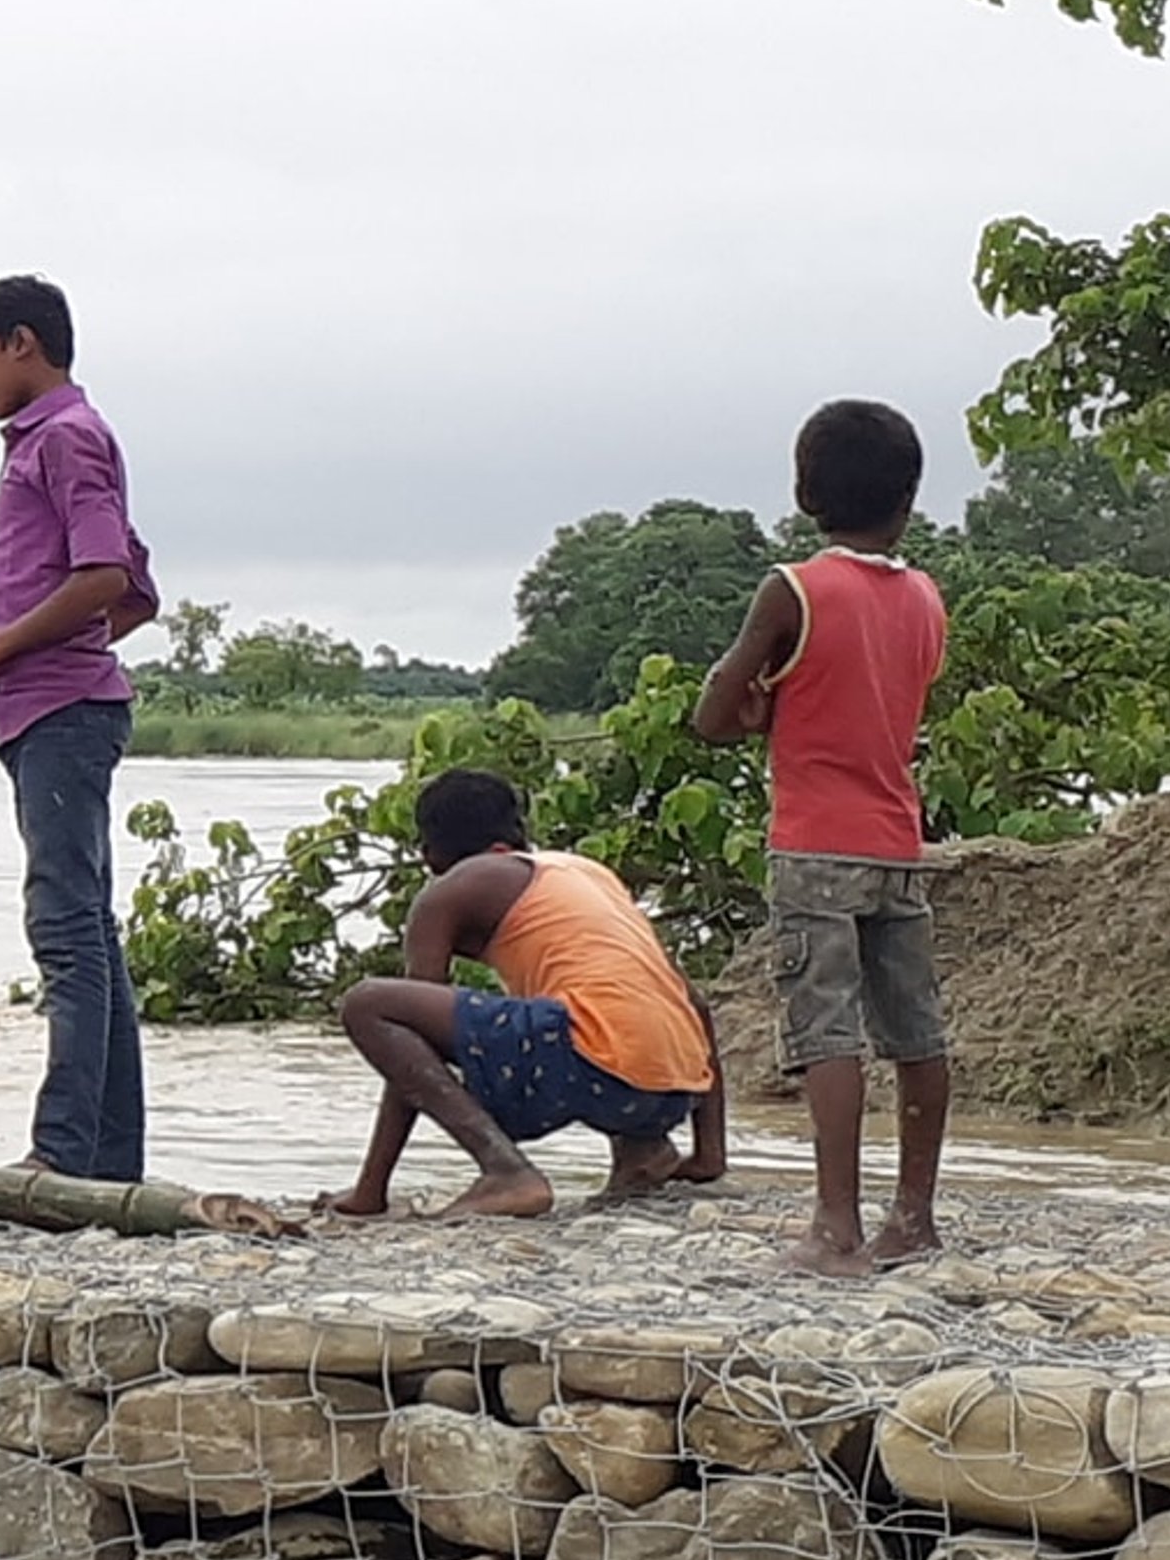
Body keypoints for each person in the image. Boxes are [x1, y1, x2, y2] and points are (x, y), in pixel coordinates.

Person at [696, 398, 955, 1272]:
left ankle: (835, 1228)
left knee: (827, 1031)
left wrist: (761, 706)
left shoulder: (793, 589)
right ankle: (913, 1219)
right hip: (895, 838)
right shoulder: (924, 597)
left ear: (806, 492)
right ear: (909, 498)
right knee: (916, 1030)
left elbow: (713, 714)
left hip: (813, 841)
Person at [0, 276, 157, 1185]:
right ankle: (107, 1159)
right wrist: (42, 652)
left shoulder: (65, 438)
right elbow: (133, 588)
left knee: (64, 927)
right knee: (88, 928)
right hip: (55, 704)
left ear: (23, 343)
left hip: (61, 712)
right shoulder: (56, 442)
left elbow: (103, 578)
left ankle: (63, 1152)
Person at [321, 767, 727, 1219]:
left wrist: (369, 1193)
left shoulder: (451, 890)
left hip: (595, 1066)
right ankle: (644, 1154)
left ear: (429, 854)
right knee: (592, 1011)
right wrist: (710, 1152)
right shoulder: (586, 873)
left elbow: (410, 1040)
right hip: (672, 1089)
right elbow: (695, 1003)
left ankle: (506, 1173)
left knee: (369, 1003)